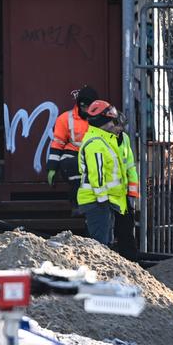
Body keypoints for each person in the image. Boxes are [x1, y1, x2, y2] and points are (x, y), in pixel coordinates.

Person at [77, 100, 128, 245]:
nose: (114, 124)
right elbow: (96, 175)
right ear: (103, 121)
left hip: (101, 201)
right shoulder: (96, 143)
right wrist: (102, 199)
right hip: (97, 202)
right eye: (111, 121)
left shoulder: (102, 140)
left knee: (103, 242)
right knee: (100, 244)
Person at [46, 85, 99, 208]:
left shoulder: (102, 119)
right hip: (72, 155)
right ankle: (78, 204)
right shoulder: (65, 119)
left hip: (93, 156)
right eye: (83, 106)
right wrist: (52, 168)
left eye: (88, 107)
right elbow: (57, 143)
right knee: (75, 167)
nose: (85, 110)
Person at [109, 111, 139, 260]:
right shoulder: (104, 140)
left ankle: (130, 257)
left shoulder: (124, 139)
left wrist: (132, 192)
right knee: (110, 229)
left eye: (121, 126)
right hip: (107, 193)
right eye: (117, 126)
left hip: (122, 193)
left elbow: (130, 166)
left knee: (127, 226)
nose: (120, 129)